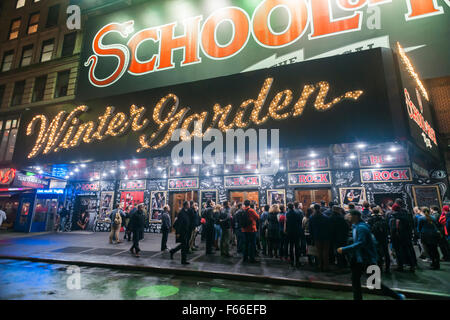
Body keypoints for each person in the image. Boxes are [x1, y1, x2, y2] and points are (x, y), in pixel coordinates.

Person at [337, 210, 405, 300]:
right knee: (356, 281)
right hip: (359, 259)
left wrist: (345, 249)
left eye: (349, 215)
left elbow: (361, 243)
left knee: (373, 283)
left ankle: (397, 296)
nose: (347, 217)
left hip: (366, 259)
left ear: (355, 216)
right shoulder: (356, 226)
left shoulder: (361, 228)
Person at [389, 199, 417, 272]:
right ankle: (412, 265)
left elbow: (392, 228)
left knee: (398, 252)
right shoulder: (407, 214)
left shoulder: (392, 216)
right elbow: (411, 225)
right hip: (406, 236)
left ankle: (400, 266)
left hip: (397, 236)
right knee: (407, 250)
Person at [368, 206, 390, 273]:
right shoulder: (383, 219)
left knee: (377, 253)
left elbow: (369, 229)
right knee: (386, 253)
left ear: (372, 211)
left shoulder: (370, 219)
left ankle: (379, 267)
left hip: (375, 238)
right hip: (384, 238)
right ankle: (387, 268)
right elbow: (387, 228)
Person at [309, 204, 331, 271]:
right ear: (320, 208)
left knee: (319, 252)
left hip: (317, 236)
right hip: (326, 236)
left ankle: (320, 265)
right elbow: (329, 228)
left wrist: (312, 237)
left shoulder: (312, 217)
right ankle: (326, 266)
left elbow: (311, 229)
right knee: (325, 252)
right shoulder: (326, 217)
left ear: (314, 209)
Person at [285, 202, 303, 267]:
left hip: (290, 231)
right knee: (297, 246)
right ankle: (297, 261)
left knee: (291, 246)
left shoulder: (287, 214)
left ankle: (292, 261)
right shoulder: (297, 213)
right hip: (297, 231)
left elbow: (286, 223)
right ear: (293, 207)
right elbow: (300, 221)